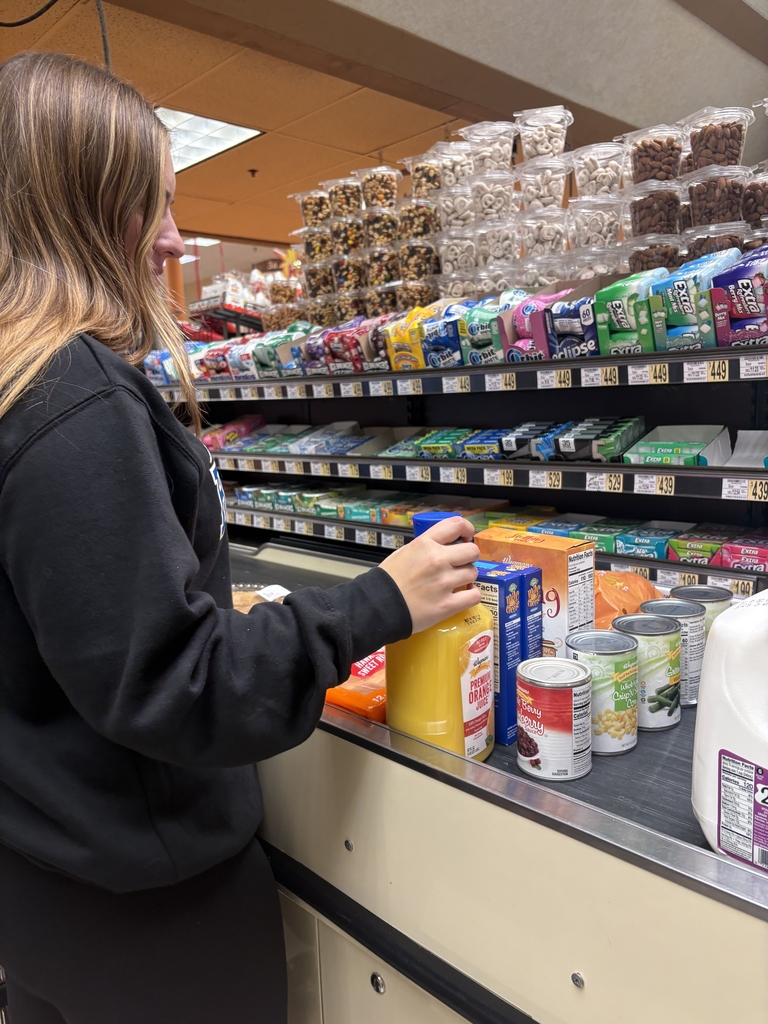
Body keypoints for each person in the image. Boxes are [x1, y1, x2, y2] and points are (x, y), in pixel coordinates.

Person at [0, 51, 481, 1024]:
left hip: (46, 885)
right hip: (152, 920)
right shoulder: (74, 398)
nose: (178, 240)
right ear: (89, 207)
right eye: (156, 204)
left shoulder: (18, 385)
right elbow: (178, 686)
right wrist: (377, 602)